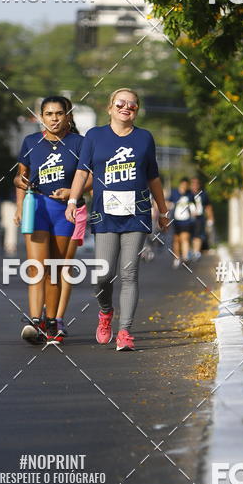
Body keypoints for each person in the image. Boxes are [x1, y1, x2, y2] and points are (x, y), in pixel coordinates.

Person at [65, 88, 169, 352]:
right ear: (110, 108)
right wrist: (72, 200)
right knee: (103, 274)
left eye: (132, 105)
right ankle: (105, 311)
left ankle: (125, 331)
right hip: (105, 213)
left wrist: (163, 210)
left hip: (137, 212)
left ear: (137, 110)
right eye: (121, 103)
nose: (126, 108)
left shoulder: (145, 138)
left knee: (129, 272)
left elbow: (153, 177)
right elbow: (81, 172)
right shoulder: (95, 136)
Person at [14, 95, 88, 344]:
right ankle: (35, 321)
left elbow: (90, 178)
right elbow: (19, 176)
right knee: (36, 268)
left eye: (59, 113)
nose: (54, 118)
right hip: (37, 207)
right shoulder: (31, 142)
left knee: (55, 270)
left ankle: (53, 322)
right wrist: (19, 204)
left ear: (68, 116)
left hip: (65, 212)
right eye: (49, 114)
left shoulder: (79, 143)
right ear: (41, 117)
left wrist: (72, 193)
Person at [169, 178, 196, 268]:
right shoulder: (174, 193)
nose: (184, 187)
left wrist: (193, 212)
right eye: (183, 185)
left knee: (185, 238)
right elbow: (168, 203)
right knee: (176, 240)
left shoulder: (190, 194)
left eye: (186, 185)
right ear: (180, 184)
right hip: (176, 220)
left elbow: (193, 205)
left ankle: (185, 257)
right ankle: (176, 258)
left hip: (186, 220)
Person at [190, 176, 214, 259]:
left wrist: (210, 218)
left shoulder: (203, 194)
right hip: (187, 218)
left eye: (197, 183)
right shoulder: (188, 194)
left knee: (198, 235)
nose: (195, 185)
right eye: (193, 183)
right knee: (189, 235)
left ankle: (196, 252)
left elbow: (208, 207)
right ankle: (190, 250)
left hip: (200, 218)